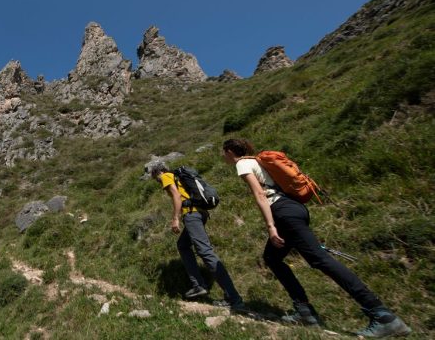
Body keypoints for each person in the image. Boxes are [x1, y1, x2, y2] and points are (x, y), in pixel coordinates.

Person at [221, 138, 411, 337]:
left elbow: (260, 195)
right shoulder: (258, 161)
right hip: (294, 208)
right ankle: (304, 311)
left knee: (320, 260)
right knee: (272, 257)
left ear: (229, 152)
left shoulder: (242, 163)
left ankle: (383, 315)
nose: (222, 156)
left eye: (223, 152)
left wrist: (271, 226)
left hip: (283, 211)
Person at [148, 161, 245, 311]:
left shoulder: (166, 176)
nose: (158, 182)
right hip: (201, 213)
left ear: (157, 173)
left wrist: (175, 218)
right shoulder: (178, 177)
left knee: (205, 252)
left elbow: (176, 196)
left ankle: (234, 298)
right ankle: (198, 284)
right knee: (183, 245)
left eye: (156, 179)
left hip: (191, 214)